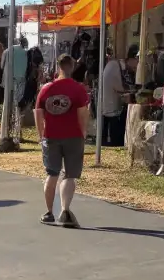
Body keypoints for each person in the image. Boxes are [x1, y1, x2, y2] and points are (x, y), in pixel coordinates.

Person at [34, 54, 90, 228]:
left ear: (58, 67)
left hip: (51, 136)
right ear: (72, 67)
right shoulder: (78, 89)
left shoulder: (46, 89)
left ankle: (49, 212)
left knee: (52, 173)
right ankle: (65, 210)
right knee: (70, 175)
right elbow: (83, 114)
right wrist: (84, 132)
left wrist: (40, 134)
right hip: (73, 135)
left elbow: (38, 112)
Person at [99, 51, 128, 147]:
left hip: (107, 104)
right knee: (113, 131)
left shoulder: (112, 65)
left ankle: (107, 142)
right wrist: (128, 91)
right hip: (112, 107)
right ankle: (113, 143)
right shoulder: (117, 66)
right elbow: (118, 87)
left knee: (106, 128)